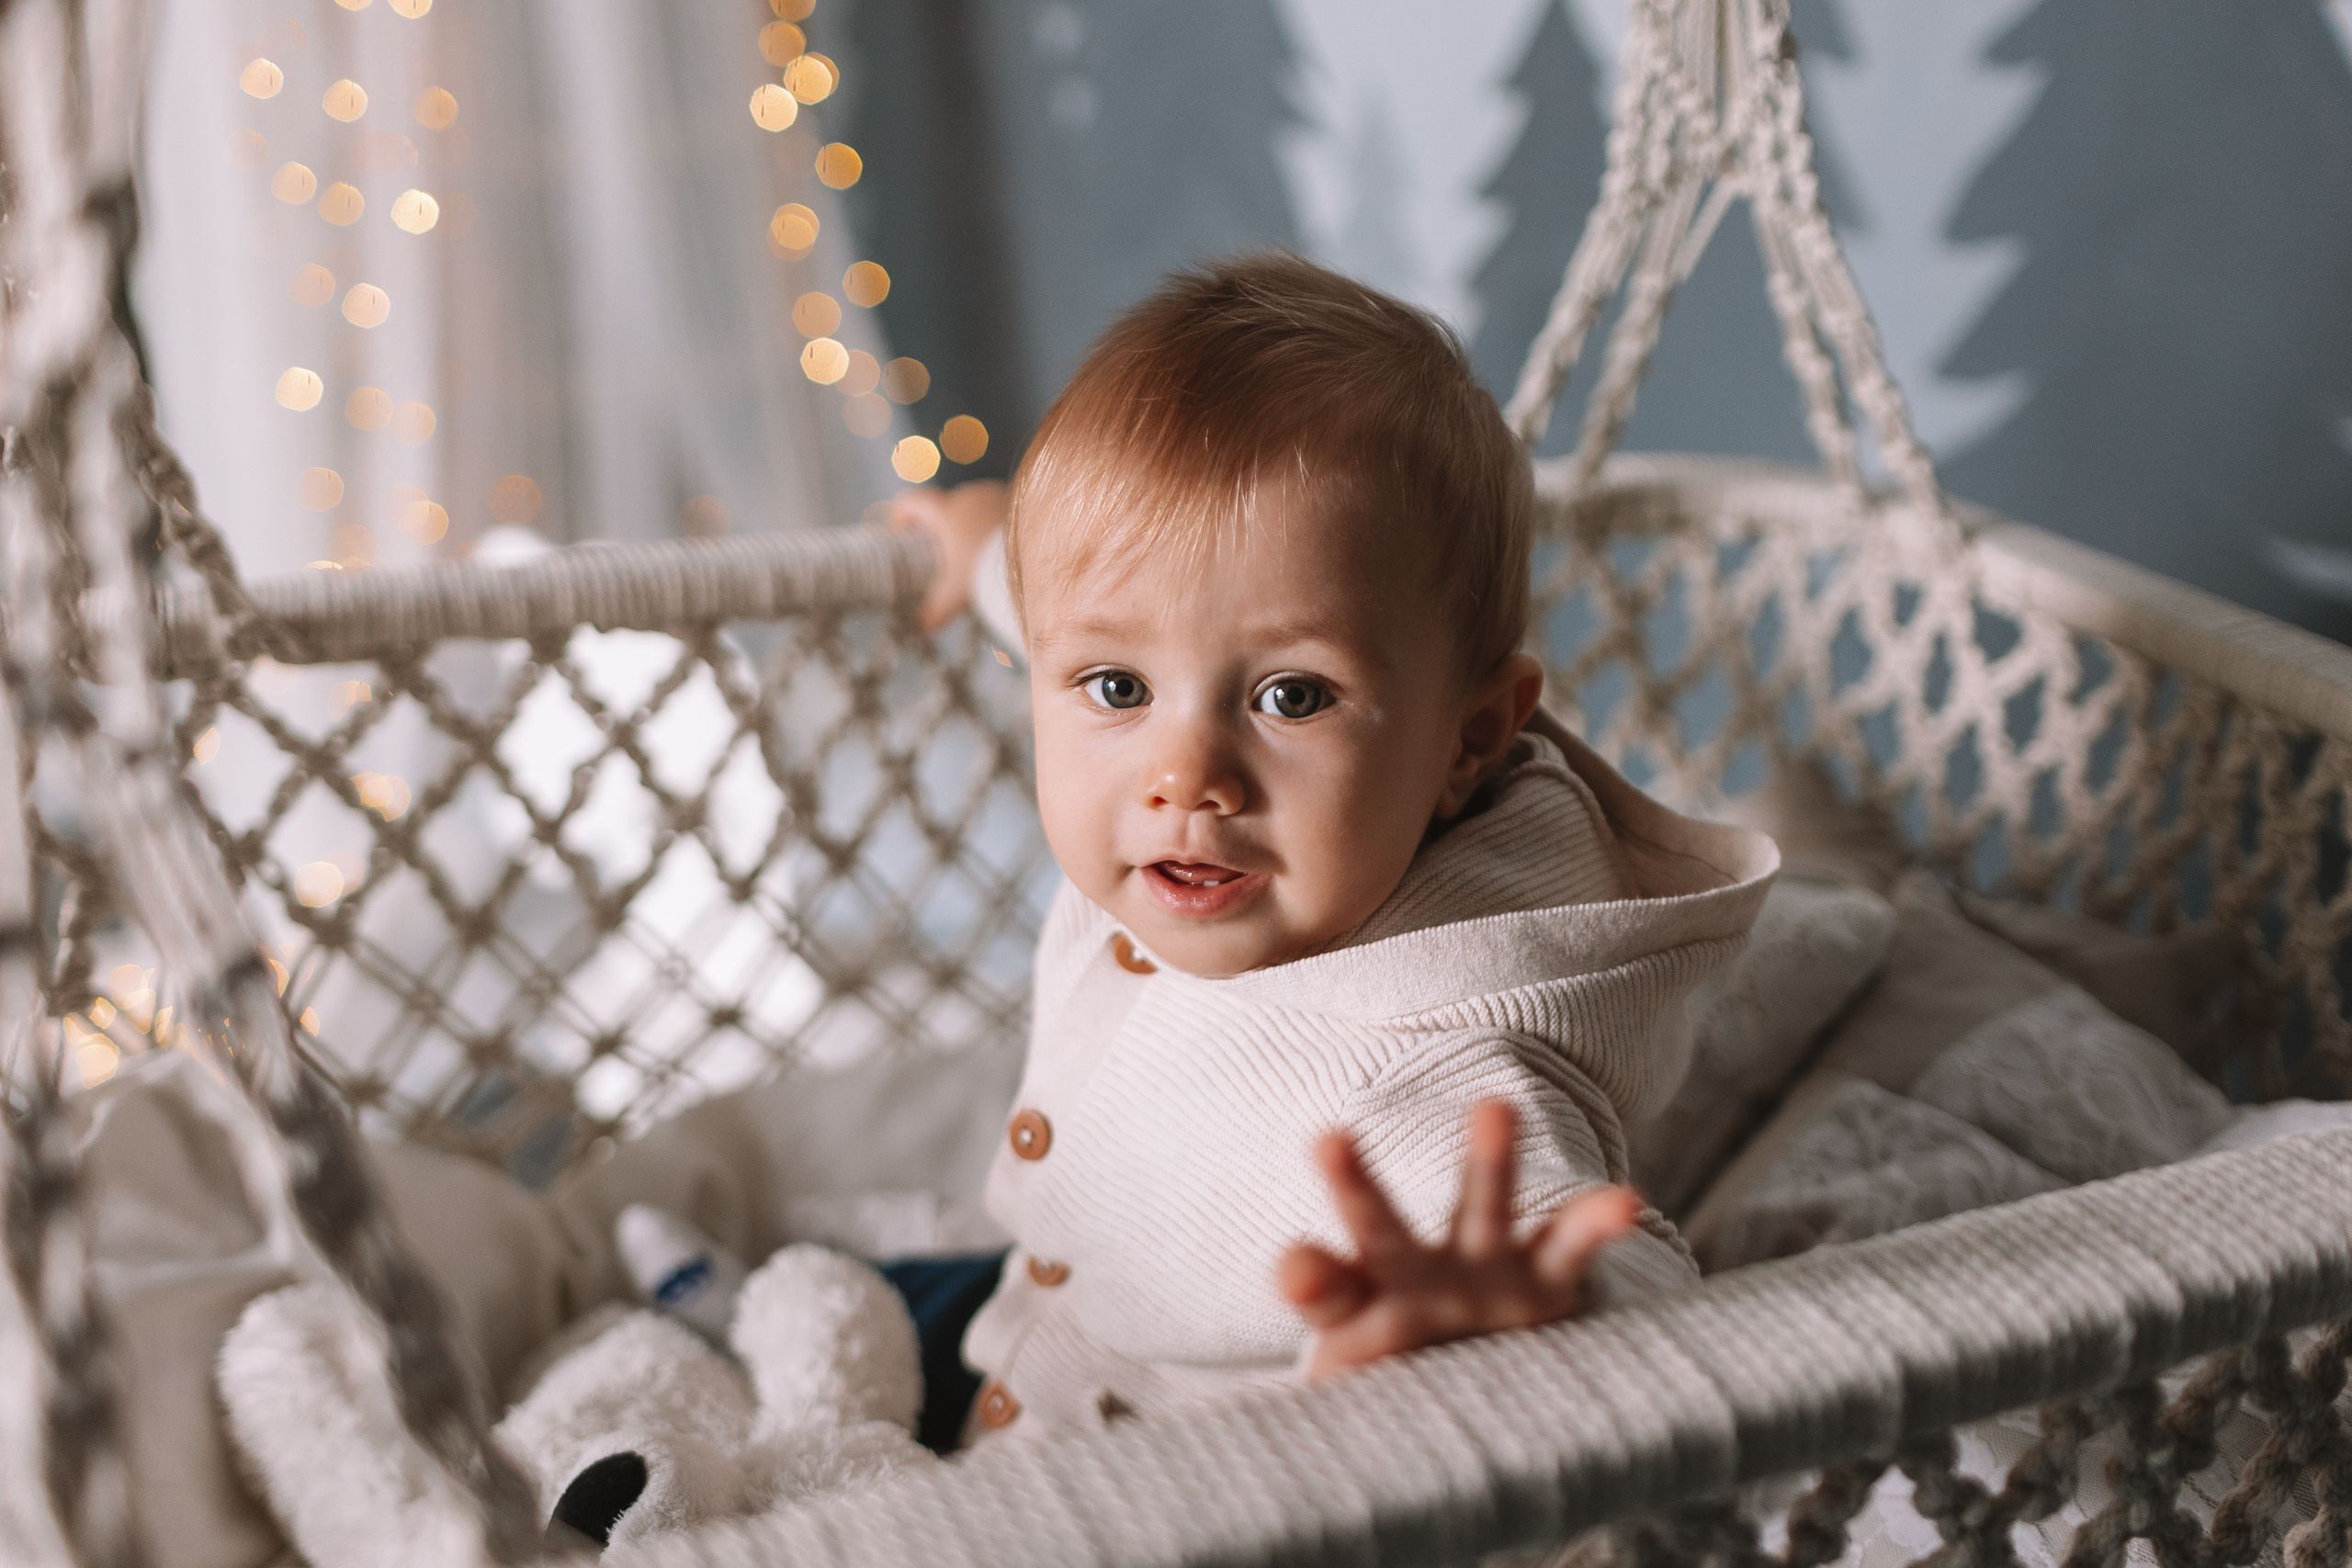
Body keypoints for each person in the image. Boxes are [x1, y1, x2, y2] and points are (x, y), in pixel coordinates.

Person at [889, 253, 1776, 1442]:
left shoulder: (1433, 1062)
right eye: (1118, 687)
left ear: (1470, 739)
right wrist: (991, 542)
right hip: (1023, 1325)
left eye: (1293, 698)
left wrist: (1520, 1318)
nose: (1184, 775)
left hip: (1161, 1490)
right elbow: (1074, 600)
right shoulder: (1195, 783)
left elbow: (1604, 1271)